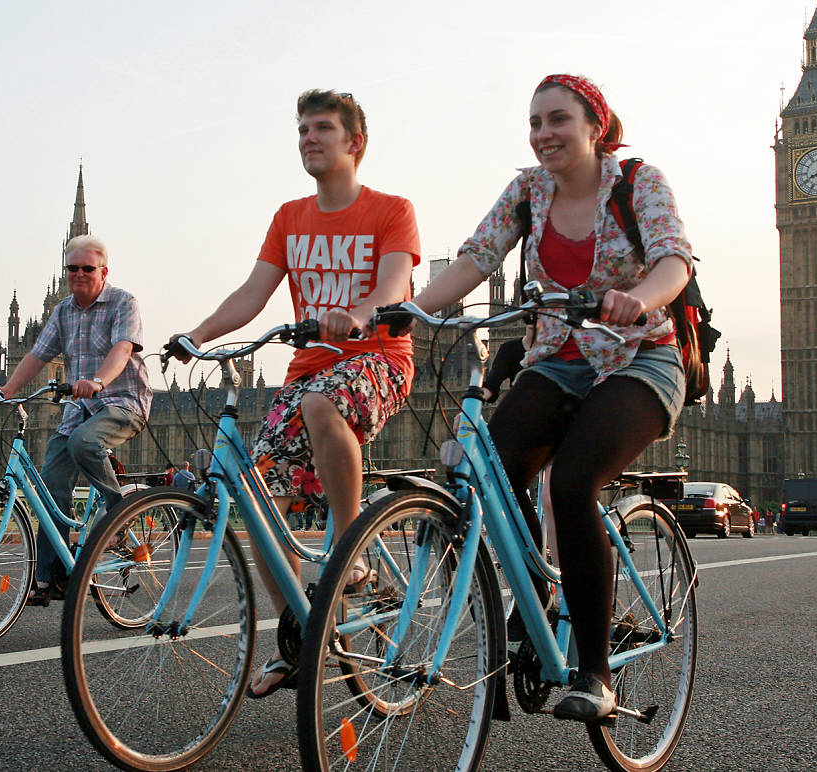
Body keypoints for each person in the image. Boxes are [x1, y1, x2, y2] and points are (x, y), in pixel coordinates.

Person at [411, 74, 692, 722]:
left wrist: (638, 298)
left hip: (638, 356)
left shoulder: (638, 183)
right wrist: (401, 309)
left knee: (570, 483)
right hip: (557, 359)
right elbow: (475, 260)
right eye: (535, 122)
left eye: (558, 119)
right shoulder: (527, 192)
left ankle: (594, 672)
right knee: (495, 470)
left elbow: (675, 262)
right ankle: (534, 602)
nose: (544, 134)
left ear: (595, 125)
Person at [172, 89, 421, 698]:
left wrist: (359, 314)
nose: (309, 138)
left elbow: (394, 284)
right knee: (254, 497)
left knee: (322, 404)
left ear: (354, 142)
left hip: (377, 360)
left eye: (322, 129)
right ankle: (301, 635)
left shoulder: (392, 209)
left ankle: (348, 541)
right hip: (308, 370)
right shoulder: (289, 217)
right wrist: (196, 334)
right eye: (303, 129)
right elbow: (252, 294)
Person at [0, 235, 152, 606]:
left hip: (122, 402)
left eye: (87, 268)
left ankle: (120, 514)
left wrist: (98, 381)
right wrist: (8, 388)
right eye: (72, 268)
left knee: (85, 443)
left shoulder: (123, 302)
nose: (79, 274)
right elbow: (37, 354)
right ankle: (51, 579)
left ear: (103, 271)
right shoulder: (62, 311)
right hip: (78, 411)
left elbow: (122, 349)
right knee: (50, 485)